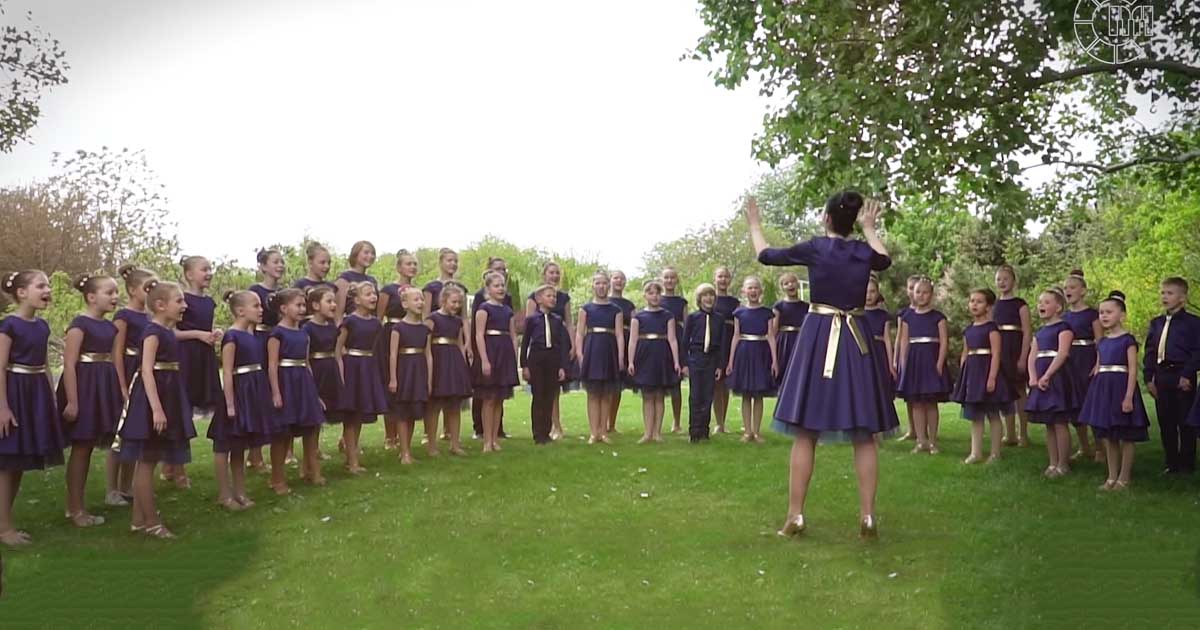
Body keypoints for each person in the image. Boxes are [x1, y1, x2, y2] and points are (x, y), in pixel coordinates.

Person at [746, 191, 897, 538]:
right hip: (856, 337)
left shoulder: (815, 248)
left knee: (805, 430)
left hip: (818, 336)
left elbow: (766, 254)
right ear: (852, 222)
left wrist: (754, 224)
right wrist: (869, 228)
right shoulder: (862, 251)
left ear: (826, 218)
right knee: (864, 433)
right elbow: (885, 260)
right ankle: (868, 515)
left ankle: (796, 515)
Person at [119, 280, 197, 539]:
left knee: (150, 459)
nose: (185, 306)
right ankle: (152, 522)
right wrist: (156, 409)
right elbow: (146, 370)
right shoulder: (152, 333)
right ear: (161, 305)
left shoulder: (167, 331)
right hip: (154, 399)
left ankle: (138, 520)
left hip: (169, 394)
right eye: (179, 301)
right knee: (147, 461)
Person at [0, 271, 65, 545]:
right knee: (8, 462)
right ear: (22, 292)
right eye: (41, 286)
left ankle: (4, 522)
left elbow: (45, 365)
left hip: (35, 393)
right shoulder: (9, 326)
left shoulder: (42, 326)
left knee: (19, 463)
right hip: (14, 393)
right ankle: (5, 529)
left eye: (48, 285)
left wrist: (51, 397)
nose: (47, 290)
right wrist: (2, 407)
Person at [56, 273, 123, 527]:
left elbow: (114, 361)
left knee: (89, 446)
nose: (115, 296)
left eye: (116, 292)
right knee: (81, 448)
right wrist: (73, 401)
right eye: (109, 292)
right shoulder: (79, 324)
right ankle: (75, 509)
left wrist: (119, 392)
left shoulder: (111, 328)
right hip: (83, 388)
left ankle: (75, 505)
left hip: (102, 388)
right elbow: (69, 364)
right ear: (92, 297)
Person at [207, 291, 272, 508]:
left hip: (252, 392)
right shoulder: (231, 336)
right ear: (240, 310)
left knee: (240, 445)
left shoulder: (252, 336)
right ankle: (224, 494)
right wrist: (230, 403)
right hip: (237, 393)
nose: (261, 310)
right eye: (256, 305)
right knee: (224, 444)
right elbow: (227, 371)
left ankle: (240, 492)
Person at [1080, 291, 1150, 490]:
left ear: (1122, 315)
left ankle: (1124, 477)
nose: (1104, 316)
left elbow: (1132, 369)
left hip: (1121, 388)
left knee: (1126, 434)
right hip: (1104, 390)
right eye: (1101, 312)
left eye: (1109, 312)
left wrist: (1128, 396)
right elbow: (1099, 366)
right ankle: (1111, 476)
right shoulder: (1102, 342)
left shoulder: (1128, 340)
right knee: (1108, 435)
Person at [266, 289, 326, 487]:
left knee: (311, 428)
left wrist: (314, 393)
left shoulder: (304, 333)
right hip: (286, 382)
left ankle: (312, 471)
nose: (302, 309)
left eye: (303, 305)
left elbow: (306, 362)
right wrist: (276, 392)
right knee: (283, 433)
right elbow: (272, 365)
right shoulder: (276, 334)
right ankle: (277, 478)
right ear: (284, 309)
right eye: (298, 305)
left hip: (303, 382)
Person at [174, 255, 224, 485]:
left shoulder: (209, 302)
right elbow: (170, 332)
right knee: (181, 411)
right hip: (185, 358)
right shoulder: (182, 300)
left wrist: (214, 333)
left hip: (205, 359)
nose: (209, 273)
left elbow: (206, 328)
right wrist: (197, 335)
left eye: (210, 268)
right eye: (204, 269)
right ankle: (177, 468)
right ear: (189, 274)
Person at [110, 264, 156, 506]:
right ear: (132, 290)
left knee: (135, 431)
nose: (152, 292)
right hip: (128, 372)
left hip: (144, 371)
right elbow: (116, 353)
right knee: (119, 434)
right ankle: (112, 489)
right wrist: (121, 385)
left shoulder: (151, 317)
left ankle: (127, 486)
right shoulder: (123, 316)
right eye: (148, 288)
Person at [1144, 277, 1200, 474]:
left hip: (1182, 373)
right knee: (1166, 421)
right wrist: (1149, 377)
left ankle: (1187, 463)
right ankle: (1171, 462)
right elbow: (1150, 351)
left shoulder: (1193, 323)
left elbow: (1197, 351)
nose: (1165, 297)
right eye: (1162, 293)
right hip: (1162, 375)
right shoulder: (1156, 323)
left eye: (1170, 293)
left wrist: (1187, 374)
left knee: (1185, 421)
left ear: (1182, 298)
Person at [951, 289, 1012, 463]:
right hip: (972, 374)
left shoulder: (992, 329)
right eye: (972, 301)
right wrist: (963, 374)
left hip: (987, 372)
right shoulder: (968, 330)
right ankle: (975, 452)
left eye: (979, 301)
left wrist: (992, 377)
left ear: (988, 306)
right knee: (975, 416)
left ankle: (995, 453)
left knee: (993, 414)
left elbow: (996, 354)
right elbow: (965, 352)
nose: (974, 304)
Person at [334, 282, 389, 473]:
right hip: (352, 368)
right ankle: (352, 461)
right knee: (351, 416)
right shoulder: (349, 321)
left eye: (374, 293)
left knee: (358, 416)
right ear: (356, 300)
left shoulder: (376, 323)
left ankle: (351, 455)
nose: (373, 297)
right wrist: (341, 374)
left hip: (368, 368)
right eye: (368, 294)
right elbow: (338, 349)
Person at [1026, 287, 1079, 477]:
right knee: (1048, 422)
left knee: (1059, 422)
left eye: (1047, 302)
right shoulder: (1039, 332)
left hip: (1057, 378)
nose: (1041, 305)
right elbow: (1032, 356)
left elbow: (1063, 353)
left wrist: (1048, 375)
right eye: (1040, 302)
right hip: (1040, 377)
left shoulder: (1064, 328)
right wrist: (1032, 376)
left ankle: (1063, 464)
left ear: (1058, 307)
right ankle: (1052, 462)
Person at [896, 276, 952, 454]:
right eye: (917, 292)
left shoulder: (939, 318)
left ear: (931, 294)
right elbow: (904, 341)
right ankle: (921, 441)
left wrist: (940, 363)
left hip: (931, 361)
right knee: (917, 403)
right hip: (914, 362)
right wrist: (903, 363)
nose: (921, 295)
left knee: (930, 403)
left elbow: (944, 342)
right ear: (913, 293)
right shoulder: (907, 318)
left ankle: (933, 441)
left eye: (925, 292)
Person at [525, 261, 574, 439]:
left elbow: (569, 322)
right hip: (539, 350)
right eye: (551, 272)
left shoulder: (563, 298)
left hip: (558, 345)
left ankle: (556, 425)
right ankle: (541, 429)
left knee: (555, 388)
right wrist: (527, 360)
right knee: (541, 392)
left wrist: (573, 345)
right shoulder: (534, 297)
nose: (554, 276)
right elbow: (529, 328)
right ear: (544, 274)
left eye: (557, 273)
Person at [628, 280, 681, 444]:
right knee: (647, 396)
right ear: (645, 296)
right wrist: (631, 361)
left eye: (657, 293)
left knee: (659, 396)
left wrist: (676, 361)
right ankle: (647, 432)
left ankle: (657, 432)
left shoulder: (668, 316)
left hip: (662, 356)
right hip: (644, 357)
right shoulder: (638, 317)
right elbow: (632, 341)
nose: (654, 296)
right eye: (651, 293)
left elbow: (672, 339)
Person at [727, 276, 778, 443]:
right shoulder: (738, 313)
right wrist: (731, 361)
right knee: (746, 394)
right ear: (744, 291)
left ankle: (756, 431)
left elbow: (771, 336)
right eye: (750, 288)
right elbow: (735, 336)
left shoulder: (767, 313)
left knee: (758, 394)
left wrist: (774, 360)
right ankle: (747, 431)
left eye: (756, 287)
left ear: (760, 291)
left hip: (761, 353)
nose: (753, 291)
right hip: (744, 353)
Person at [576, 270, 625, 444]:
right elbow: (579, 333)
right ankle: (593, 432)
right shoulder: (586, 309)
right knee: (593, 393)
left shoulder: (616, 310)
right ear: (593, 286)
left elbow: (619, 334)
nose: (601, 286)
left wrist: (620, 356)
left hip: (609, 351)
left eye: (604, 283)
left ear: (608, 285)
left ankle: (603, 431)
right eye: (598, 283)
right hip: (592, 350)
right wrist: (580, 354)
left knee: (606, 394)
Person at [474, 271, 519, 453]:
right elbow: (479, 335)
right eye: (496, 286)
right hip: (491, 352)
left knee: (499, 398)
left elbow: (513, 335)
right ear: (488, 289)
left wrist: (514, 357)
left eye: (502, 285)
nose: (500, 289)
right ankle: (486, 440)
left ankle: (494, 439)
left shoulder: (508, 311)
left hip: (504, 354)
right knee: (489, 399)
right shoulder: (483, 309)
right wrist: (484, 360)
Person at [425, 283, 472, 455]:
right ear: (443, 300)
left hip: (454, 361)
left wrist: (463, 366)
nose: (456, 306)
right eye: (453, 302)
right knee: (434, 406)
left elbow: (459, 343)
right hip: (438, 361)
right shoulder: (432, 319)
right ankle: (431, 445)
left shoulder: (458, 322)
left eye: (459, 303)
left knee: (454, 405)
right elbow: (426, 344)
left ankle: (455, 444)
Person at [379, 249, 419, 451]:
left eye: (414, 264)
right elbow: (379, 316)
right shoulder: (388, 289)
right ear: (399, 267)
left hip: (411, 337)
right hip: (390, 335)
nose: (412, 267)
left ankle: (404, 436)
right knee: (391, 384)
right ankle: (390, 436)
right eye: (408, 263)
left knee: (406, 383)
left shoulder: (417, 292)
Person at [387, 288, 431, 464]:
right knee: (402, 412)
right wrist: (393, 378)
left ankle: (407, 450)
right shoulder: (398, 328)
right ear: (405, 304)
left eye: (422, 299)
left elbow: (428, 355)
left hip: (419, 371)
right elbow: (392, 355)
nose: (420, 302)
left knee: (412, 412)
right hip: (404, 372)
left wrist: (429, 380)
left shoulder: (425, 329)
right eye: (416, 299)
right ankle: (404, 452)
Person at [1063, 269, 1102, 462]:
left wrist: (1099, 364)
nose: (1068, 291)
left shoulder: (1092, 315)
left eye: (1072, 287)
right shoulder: (1064, 317)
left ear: (1083, 291)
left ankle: (1101, 449)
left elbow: (1100, 341)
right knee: (1074, 404)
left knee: (1092, 404)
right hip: (1070, 362)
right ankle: (1084, 446)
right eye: (1065, 288)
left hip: (1087, 360)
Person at [303, 286, 341, 482]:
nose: (334, 305)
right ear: (316, 305)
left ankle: (310, 464)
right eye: (329, 301)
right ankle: (309, 467)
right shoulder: (307, 328)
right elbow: (305, 357)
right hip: (315, 373)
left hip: (330, 371)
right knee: (313, 422)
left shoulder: (333, 327)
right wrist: (310, 383)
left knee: (322, 418)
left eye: (334, 301)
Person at [994, 264, 1032, 447]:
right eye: (998, 279)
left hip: (1015, 348)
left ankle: (1023, 433)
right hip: (999, 349)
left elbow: (1027, 332)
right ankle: (1009, 434)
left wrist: (1023, 357)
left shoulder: (1020, 305)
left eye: (1005, 279)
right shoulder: (994, 305)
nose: (1002, 282)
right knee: (1004, 392)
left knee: (1019, 390)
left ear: (1014, 281)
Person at [684, 283, 725, 442]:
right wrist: (685, 363)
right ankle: (694, 431)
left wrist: (720, 366)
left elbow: (722, 344)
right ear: (699, 299)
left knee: (708, 395)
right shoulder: (693, 318)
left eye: (711, 295)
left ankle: (704, 431)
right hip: (696, 358)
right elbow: (685, 341)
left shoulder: (719, 319)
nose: (708, 298)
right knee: (696, 395)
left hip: (712, 359)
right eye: (705, 295)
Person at [892, 274, 921, 441]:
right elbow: (899, 337)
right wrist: (896, 359)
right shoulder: (903, 314)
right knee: (909, 395)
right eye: (910, 288)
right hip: (906, 355)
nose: (912, 291)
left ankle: (924, 430)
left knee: (923, 396)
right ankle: (912, 429)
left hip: (921, 357)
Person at [712, 266, 741, 433]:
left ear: (730, 280)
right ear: (715, 279)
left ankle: (723, 422)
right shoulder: (710, 298)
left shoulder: (735, 302)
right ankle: (718, 423)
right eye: (720, 276)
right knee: (716, 383)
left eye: (726, 277)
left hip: (730, 341)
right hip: (715, 341)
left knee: (725, 384)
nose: (723, 280)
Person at [660, 267, 688, 434]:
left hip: (677, 341)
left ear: (676, 280)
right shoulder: (657, 298)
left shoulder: (681, 302)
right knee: (659, 384)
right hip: (660, 342)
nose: (669, 280)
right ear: (661, 280)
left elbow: (687, 324)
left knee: (676, 385)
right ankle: (656, 423)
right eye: (666, 277)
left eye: (672, 277)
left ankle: (676, 422)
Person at [608, 270, 636, 434]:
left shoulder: (629, 305)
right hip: (606, 341)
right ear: (610, 280)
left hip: (624, 342)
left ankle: (611, 424)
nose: (619, 281)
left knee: (617, 385)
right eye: (616, 278)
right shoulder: (604, 301)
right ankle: (601, 422)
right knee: (605, 383)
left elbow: (635, 324)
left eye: (622, 279)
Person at [862, 277, 895, 405]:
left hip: (879, 354)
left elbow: (887, 340)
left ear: (878, 293)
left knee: (880, 386)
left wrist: (891, 364)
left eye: (872, 291)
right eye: (866, 291)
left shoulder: (883, 315)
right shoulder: (856, 314)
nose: (869, 295)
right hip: (863, 351)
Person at [773, 272, 810, 389]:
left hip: (800, 340)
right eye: (786, 283)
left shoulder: (806, 306)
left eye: (793, 282)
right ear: (782, 287)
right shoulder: (779, 306)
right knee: (784, 370)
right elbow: (774, 329)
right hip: (784, 342)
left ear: (797, 284)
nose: (790, 285)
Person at [334, 241, 378, 322]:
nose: (370, 256)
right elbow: (338, 312)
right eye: (366, 252)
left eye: (373, 253)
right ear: (355, 254)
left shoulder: (372, 280)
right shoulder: (345, 278)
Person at [421, 248, 459, 318]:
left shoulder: (460, 287)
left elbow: (464, 317)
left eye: (455, 261)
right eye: (449, 260)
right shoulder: (430, 287)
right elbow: (425, 315)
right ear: (440, 263)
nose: (453, 263)